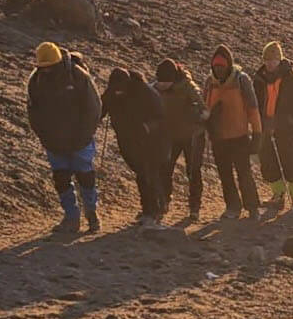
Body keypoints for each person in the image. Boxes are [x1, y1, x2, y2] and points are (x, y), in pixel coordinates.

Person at [27, 42, 102, 233]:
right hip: (53, 142)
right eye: (41, 68)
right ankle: (71, 217)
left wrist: (84, 135)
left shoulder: (78, 77)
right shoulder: (35, 81)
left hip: (80, 140)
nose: (45, 71)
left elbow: (93, 108)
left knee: (85, 177)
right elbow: (33, 112)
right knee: (61, 179)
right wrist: (44, 136)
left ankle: (92, 214)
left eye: (48, 67)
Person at [101, 68, 169, 225]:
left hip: (152, 141)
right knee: (141, 173)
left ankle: (153, 211)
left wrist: (147, 127)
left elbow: (161, 117)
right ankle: (153, 207)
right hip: (128, 141)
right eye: (115, 90)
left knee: (147, 174)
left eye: (121, 89)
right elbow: (100, 108)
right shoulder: (111, 92)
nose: (118, 92)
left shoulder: (144, 92)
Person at [203, 45, 262, 219]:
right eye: (215, 67)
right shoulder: (210, 82)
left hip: (239, 137)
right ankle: (232, 207)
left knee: (244, 173)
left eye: (221, 66)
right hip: (219, 138)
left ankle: (252, 207)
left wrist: (257, 134)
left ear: (228, 65)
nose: (218, 70)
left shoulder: (241, 80)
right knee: (225, 175)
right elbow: (205, 107)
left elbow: (252, 108)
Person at [253, 41, 293, 212]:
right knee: (268, 161)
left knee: (291, 160)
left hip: (286, 126)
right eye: (267, 60)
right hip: (265, 125)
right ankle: (278, 195)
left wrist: (291, 120)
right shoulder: (259, 78)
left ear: (279, 59)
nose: (269, 63)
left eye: (273, 60)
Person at [153, 59, 208, 222]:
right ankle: (163, 202)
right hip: (171, 135)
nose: (161, 85)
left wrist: (200, 116)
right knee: (165, 168)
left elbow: (202, 107)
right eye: (159, 81)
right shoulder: (155, 88)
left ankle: (194, 207)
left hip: (192, 134)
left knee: (193, 171)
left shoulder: (187, 87)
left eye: (165, 82)